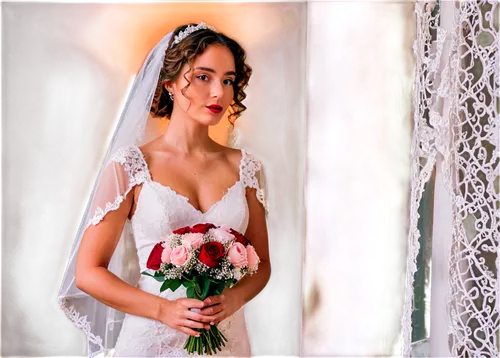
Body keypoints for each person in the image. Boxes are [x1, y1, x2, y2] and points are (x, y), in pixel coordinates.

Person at [57, 22, 271, 357]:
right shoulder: (131, 165)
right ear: (170, 83)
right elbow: (87, 272)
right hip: (151, 340)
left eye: (228, 80)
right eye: (204, 77)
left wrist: (234, 298)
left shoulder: (246, 168)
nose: (219, 92)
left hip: (229, 340)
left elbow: (264, 265)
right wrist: (164, 310)